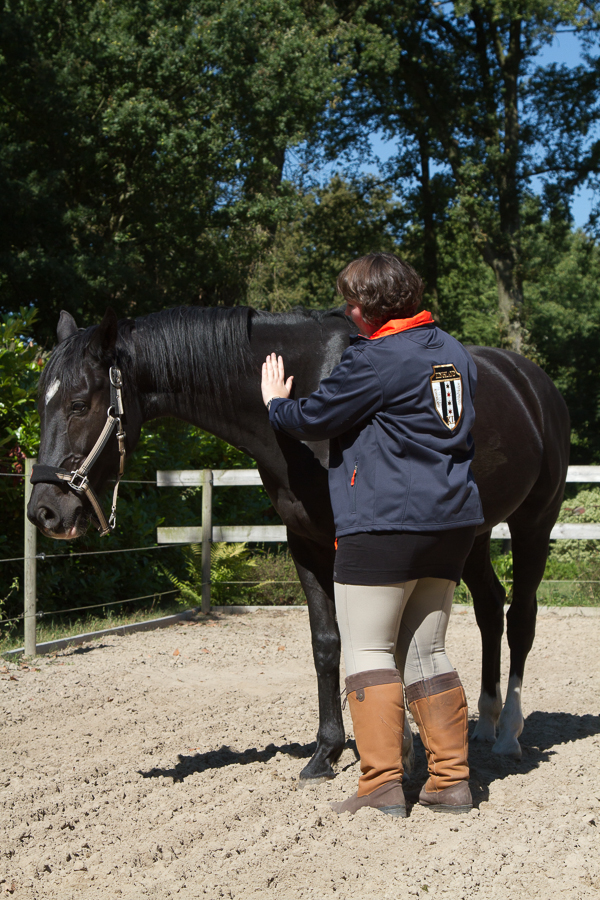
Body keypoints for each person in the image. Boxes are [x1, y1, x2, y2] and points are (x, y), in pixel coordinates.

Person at [261, 252, 484, 818]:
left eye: (352, 301)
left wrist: (276, 405)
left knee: (368, 648)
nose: (347, 310)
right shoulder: (453, 352)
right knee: (426, 650)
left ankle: (381, 784)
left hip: (385, 524)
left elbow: (316, 418)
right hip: (452, 522)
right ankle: (451, 782)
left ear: (373, 307)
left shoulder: (378, 359)